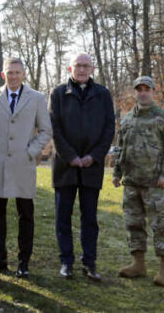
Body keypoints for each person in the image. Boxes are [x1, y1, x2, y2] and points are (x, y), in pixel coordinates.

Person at [0, 58, 52, 278]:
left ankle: (23, 262)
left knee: (26, 214)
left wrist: (31, 151)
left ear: (24, 74)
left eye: (17, 72)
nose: (13, 76)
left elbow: (46, 131)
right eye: (9, 73)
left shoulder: (37, 98)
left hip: (23, 164)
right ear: (3, 75)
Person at [49, 52, 114, 281]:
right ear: (70, 69)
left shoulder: (103, 94)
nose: (82, 70)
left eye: (86, 66)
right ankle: (66, 262)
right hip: (65, 166)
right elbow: (54, 129)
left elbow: (109, 129)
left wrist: (93, 157)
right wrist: (71, 157)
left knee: (89, 219)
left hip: (91, 167)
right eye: (78, 65)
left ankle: (90, 263)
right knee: (62, 217)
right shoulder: (58, 94)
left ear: (92, 68)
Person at [113, 76, 164, 287]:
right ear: (134, 92)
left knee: (161, 225)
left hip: (155, 184)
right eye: (139, 89)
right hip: (132, 182)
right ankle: (138, 264)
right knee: (133, 224)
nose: (142, 92)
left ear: (153, 92)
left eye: (147, 89)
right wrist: (117, 173)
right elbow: (120, 149)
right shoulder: (127, 120)